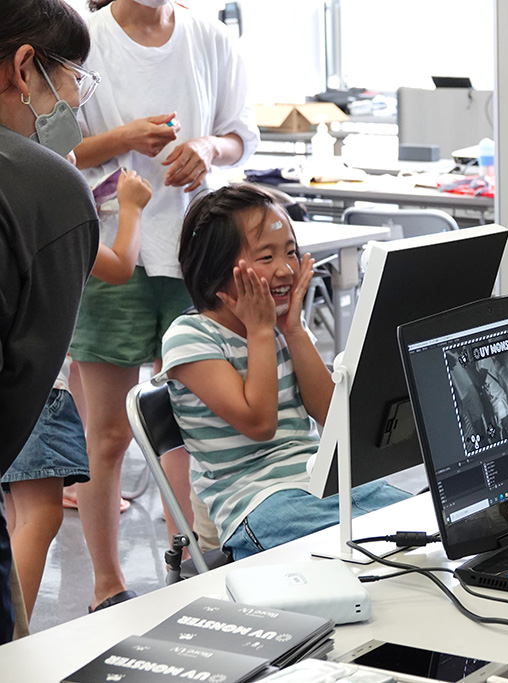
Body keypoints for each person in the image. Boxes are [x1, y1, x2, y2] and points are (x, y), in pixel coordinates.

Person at [69, 0, 259, 612]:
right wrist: (122, 138)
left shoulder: (209, 37)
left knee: (195, 424)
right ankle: (106, 585)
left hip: (195, 250)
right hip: (109, 252)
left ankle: (193, 560)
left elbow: (241, 134)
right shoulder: (83, 39)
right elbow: (56, 153)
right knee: (107, 434)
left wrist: (209, 148)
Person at [161, 184, 410, 561]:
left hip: (323, 482)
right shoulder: (190, 337)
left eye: (291, 253)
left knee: (416, 522)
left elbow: (333, 416)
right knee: (361, 552)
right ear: (216, 266)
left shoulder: (282, 326)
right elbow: (260, 424)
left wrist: (292, 331)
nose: (285, 269)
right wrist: (261, 332)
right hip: (256, 501)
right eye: (266, 257)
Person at [4, 168, 152, 622]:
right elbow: (120, 266)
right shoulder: (52, 200)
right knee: (41, 515)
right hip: (36, 383)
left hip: (14, 379)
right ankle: (13, 644)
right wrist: (130, 208)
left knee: (17, 517)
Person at [0, 0, 101, 642]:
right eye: (71, 79)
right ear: (24, 67)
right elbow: (23, 383)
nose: (74, 101)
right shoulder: (48, 190)